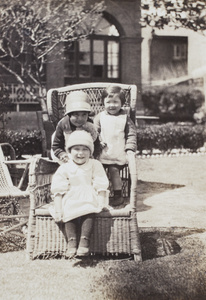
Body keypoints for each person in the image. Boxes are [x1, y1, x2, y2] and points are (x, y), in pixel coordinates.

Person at [49, 130, 110, 258]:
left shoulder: (95, 164)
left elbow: (101, 183)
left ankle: (84, 242)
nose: (81, 153)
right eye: (76, 149)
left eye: (85, 149)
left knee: (89, 209)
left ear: (90, 152)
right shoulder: (65, 167)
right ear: (70, 152)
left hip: (89, 194)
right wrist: (58, 208)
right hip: (71, 196)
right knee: (68, 209)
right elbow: (58, 189)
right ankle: (71, 243)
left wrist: (102, 202)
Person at [94, 85, 137, 206]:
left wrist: (130, 149)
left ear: (122, 103)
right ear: (103, 102)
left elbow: (131, 134)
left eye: (116, 102)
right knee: (99, 173)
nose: (112, 105)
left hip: (117, 153)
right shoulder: (100, 117)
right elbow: (93, 132)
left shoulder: (125, 119)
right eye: (108, 102)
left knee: (114, 171)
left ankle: (118, 194)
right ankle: (99, 194)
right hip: (102, 153)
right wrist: (98, 141)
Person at [51, 90, 98, 164]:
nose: (80, 119)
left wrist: (92, 156)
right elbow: (56, 146)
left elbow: (96, 144)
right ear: (69, 115)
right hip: (67, 158)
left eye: (84, 114)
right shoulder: (63, 125)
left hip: (86, 158)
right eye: (76, 115)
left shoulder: (90, 126)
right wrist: (62, 155)